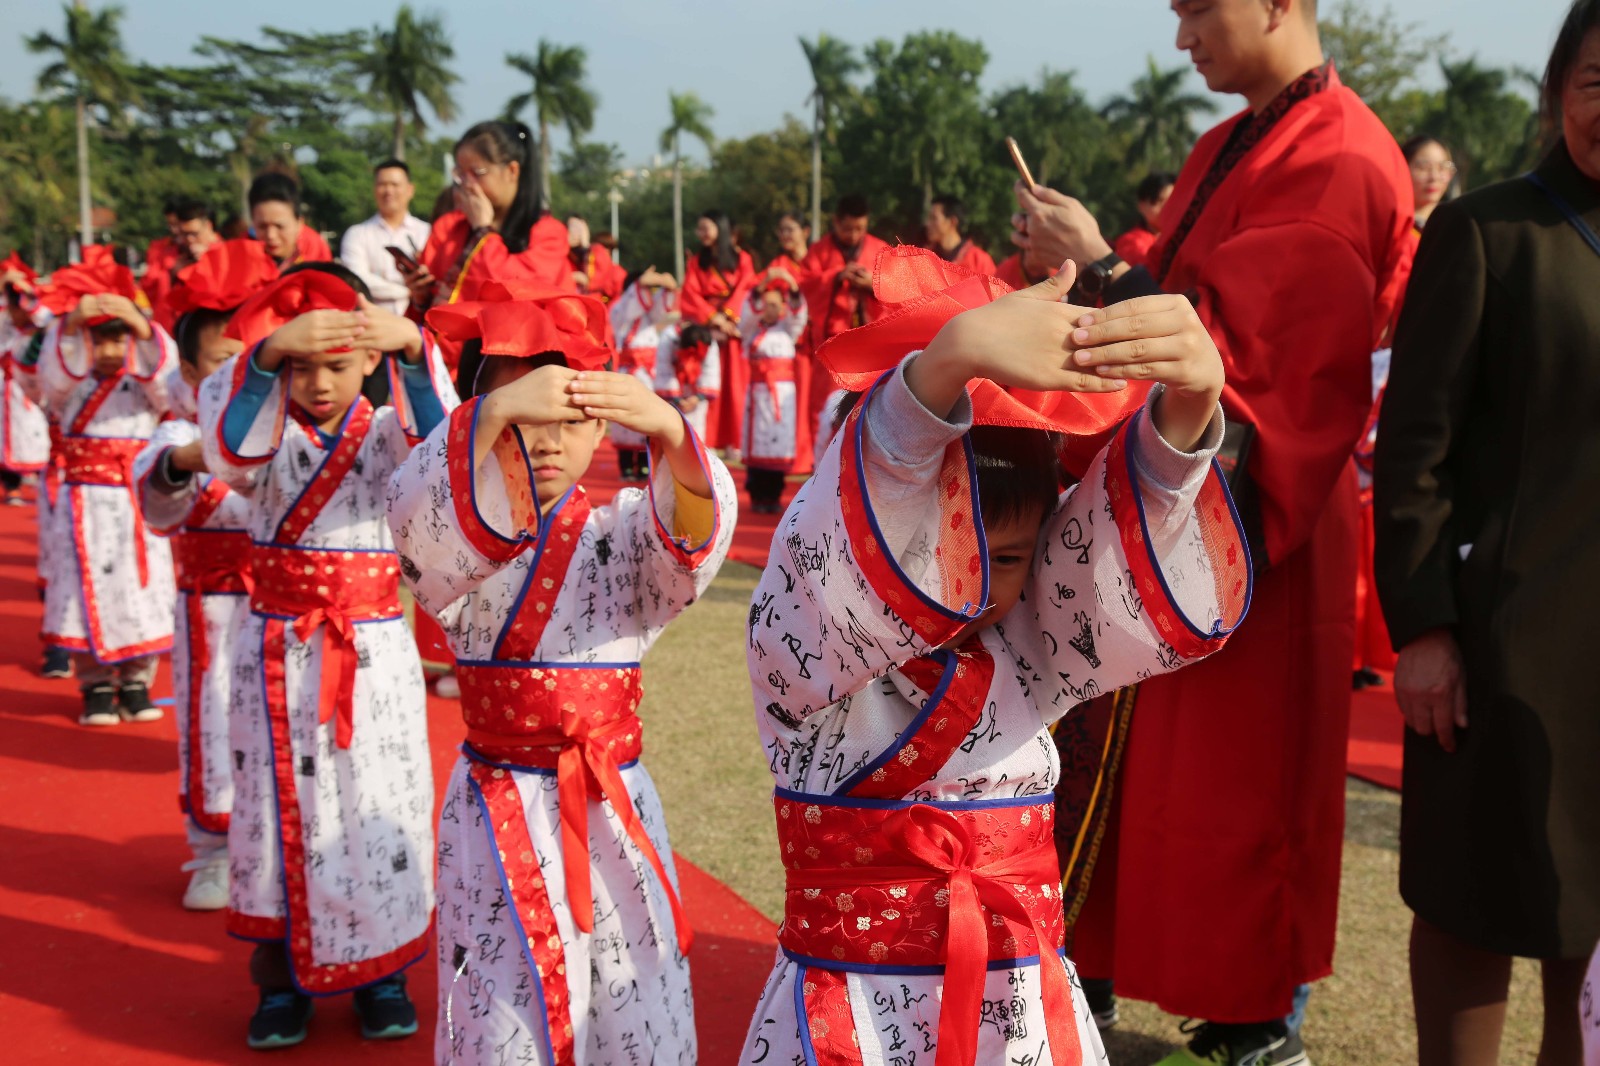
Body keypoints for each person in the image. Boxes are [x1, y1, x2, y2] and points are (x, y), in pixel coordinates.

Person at [1013, 1, 1415, 1061]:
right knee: (1147, 780)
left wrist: (1100, 263)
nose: (1180, 38)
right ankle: (1093, 977)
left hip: (1248, 530)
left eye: (1197, 8)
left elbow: (1247, 371)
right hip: (1163, 510)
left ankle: (1254, 1018)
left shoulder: (1336, 156)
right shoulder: (1232, 141)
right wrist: (1085, 268)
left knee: (1237, 791)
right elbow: (1180, 289)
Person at [737, 247, 1250, 1066]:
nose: (974, 590)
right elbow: (877, 496)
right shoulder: (808, 651)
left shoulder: (1029, 652)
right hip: (856, 1010)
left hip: (1018, 1006)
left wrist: (1188, 408)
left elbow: (1103, 548)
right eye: (941, 552)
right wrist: (943, 367)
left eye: (1007, 560)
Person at [388, 283, 736, 1066]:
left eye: (573, 417)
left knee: (631, 991)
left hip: (610, 803)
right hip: (497, 802)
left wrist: (673, 434)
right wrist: (485, 418)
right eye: (521, 418)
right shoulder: (464, 548)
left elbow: (687, 549)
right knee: (501, 1003)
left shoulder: (620, 533)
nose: (548, 440)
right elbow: (415, 517)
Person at [1375, 5, 1600, 1062]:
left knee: (1589, 949)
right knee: (1472, 909)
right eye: (1596, 80)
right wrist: (1423, 628)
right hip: (1499, 651)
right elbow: (1413, 451)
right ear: (1558, 84)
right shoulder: (1490, 232)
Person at [197, 263, 456, 1049]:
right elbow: (228, 460)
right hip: (275, 644)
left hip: (371, 653)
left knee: (376, 805)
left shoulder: (384, 432)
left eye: (337, 364)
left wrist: (412, 348)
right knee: (279, 814)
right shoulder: (262, 432)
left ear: (367, 362)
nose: (317, 382)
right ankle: (279, 984)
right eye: (299, 366)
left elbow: (441, 451)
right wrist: (268, 354)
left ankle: (383, 975)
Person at [131, 238, 277, 912]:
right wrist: (196, 458)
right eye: (223, 364)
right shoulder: (174, 436)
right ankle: (213, 850)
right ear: (190, 372)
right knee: (213, 724)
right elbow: (158, 492)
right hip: (212, 615)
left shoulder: (291, 433)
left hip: (282, 611)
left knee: (281, 728)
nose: (240, 378)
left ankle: (277, 847)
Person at [36, 246, 178, 726]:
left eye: (121, 341)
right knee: (83, 588)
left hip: (136, 502)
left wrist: (140, 325)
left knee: (141, 589)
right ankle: (95, 682)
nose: (112, 351)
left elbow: (170, 389)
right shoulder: (69, 381)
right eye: (101, 340)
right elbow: (46, 385)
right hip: (83, 504)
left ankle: (137, 679)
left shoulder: (144, 383)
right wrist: (73, 325)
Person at [406, 120, 572, 373]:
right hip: (445, 372)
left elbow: (512, 288)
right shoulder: (448, 228)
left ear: (512, 171)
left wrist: (484, 230)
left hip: (517, 375)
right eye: (460, 173)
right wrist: (420, 298)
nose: (466, 183)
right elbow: (433, 310)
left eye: (477, 173)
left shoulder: (548, 233)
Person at [799, 193, 889, 443]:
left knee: (871, 405)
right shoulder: (819, 251)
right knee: (826, 407)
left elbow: (897, 290)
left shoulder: (878, 248)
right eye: (848, 228)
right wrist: (836, 277)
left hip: (870, 347)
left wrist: (872, 284)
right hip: (832, 346)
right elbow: (806, 283)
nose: (854, 234)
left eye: (860, 228)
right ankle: (822, 466)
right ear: (836, 223)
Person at [679, 210, 757, 451]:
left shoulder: (742, 259)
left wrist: (729, 317)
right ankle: (708, 439)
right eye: (699, 229)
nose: (701, 233)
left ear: (720, 229)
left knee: (735, 384)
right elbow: (690, 294)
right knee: (709, 383)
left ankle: (734, 440)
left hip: (733, 329)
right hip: (708, 329)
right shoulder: (695, 262)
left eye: (706, 228)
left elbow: (747, 288)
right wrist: (713, 318)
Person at [737, 272, 807, 513]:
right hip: (758, 394)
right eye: (766, 304)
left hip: (782, 395)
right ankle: (757, 495)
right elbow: (744, 317)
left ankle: (774, 495)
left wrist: (793, 284)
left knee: (779, 443)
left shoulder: (789, 330)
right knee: (758, 444)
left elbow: (800, 315)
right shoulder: (750, 331)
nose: (770, 309)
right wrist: (763, 285)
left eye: (776, 304)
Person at [609, 266, 681, 479]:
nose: (648, 295)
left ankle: (643, 463)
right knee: (623, 416)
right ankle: (625, 464)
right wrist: (642, 283)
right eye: (644, 290)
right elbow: (632, 307)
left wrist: (668, 287)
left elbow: (662, 308)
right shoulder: (619, 309)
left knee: (645, 416)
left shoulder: (649, 317)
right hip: (629, 370)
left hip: (648, 373)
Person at [339, 159, 432, 315]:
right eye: (382, 184)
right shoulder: (357, 234)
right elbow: (357, 279)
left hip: (420, 325)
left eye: (395, 185)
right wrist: (407, 291)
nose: (388, 191)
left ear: (410, 190)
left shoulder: (427, 232)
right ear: (374, 189)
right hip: (372, 324)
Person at [0, 255, 52, 504]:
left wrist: (27, 290)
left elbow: (46, 316)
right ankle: (11, 485)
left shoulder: (38, 323)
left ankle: (37, 474)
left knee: (36, 433)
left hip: (33, 388)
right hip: (5, 386)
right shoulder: (4, 321)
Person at [143, 199, 221, 311]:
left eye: (194, 233)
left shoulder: (227, 252)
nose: (189, 239)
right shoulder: (177, 253)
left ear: (208, 225)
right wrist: (173, 273)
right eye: (184, 234)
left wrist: (208, 261)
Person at [248, 173, 331, 273]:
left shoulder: (316, 251)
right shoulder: (237, 258)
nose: (271, 235)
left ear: (299, 223)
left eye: (279, 226)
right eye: (262, 226)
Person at [654, 321, 720, 442]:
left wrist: (698, 398)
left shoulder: (709, 342)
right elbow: (664, 367)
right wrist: (677, 399)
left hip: (696, 393)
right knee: (671, 431)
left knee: (697, 433)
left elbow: (710, 371)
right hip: (673, 392)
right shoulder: (668, 338)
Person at [1112, 172, 1177, 270]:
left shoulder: (1181, 242)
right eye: (1158, 201)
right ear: (1141, 205)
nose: (1166, 208)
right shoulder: (1132, 243)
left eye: (1172, 201)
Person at [923, 193, 997, 275]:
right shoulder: (925, 259)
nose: (927, 224)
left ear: (952, 221)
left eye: (934, 218)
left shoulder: (979, 261)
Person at [567, 214, 626, 304]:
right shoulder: (562, 253)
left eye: (580, 228)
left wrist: (586, 246)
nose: (576, 232)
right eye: (572, 227)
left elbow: (595, 281)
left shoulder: (595, 253)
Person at [1404, 135, 1457, 230]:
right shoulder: (1390, 224)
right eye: (1424, 167)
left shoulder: (1455, 226)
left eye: (1442, 168)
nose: (1434, 177)